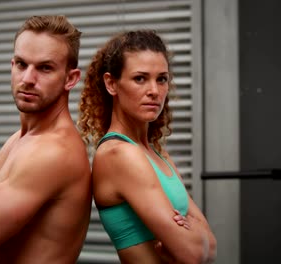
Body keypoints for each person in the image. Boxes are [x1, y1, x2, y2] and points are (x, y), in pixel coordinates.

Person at [0, 15, 92, 264]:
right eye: (21, 64)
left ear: (70, 79)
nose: (28, 79)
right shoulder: (18, 141)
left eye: (45, 68)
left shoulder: (53, 152)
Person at [78, 30, 217, 263]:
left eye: (161, 79)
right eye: (140, 78)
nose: (154, 91)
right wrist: (194, 231)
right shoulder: (118, 154)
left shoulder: (157, 153)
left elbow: (211, 248)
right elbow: (193, 254)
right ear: (111, 83)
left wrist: (198, 239)